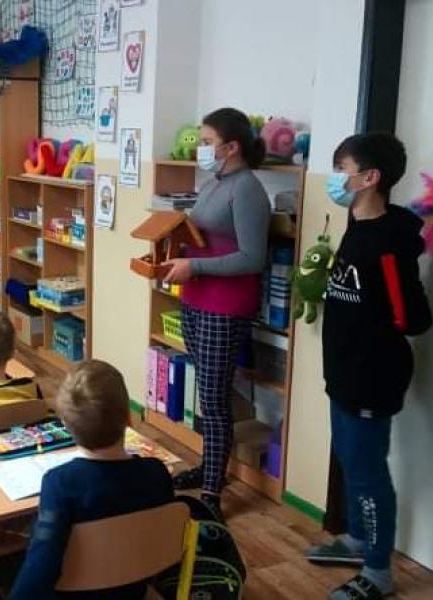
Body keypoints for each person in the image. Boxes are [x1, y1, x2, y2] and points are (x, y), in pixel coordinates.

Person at [305, 133, 431, 600]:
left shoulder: (387, 242)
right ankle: (358, 539)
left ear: (369, 178)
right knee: (349, 459)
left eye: (342, 169)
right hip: (344, 373)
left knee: (367, 474)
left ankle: (378, 571)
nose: (335, 177)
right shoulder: (356, 226)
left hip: (372, 377)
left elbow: (413, 318)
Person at [160, 107, 271, 521]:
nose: (202, 149)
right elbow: (201, 234)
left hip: (224, 306)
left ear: (232, 147)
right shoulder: (215, 182)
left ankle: (211, 493)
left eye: (207, 142)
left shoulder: (247, 190)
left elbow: (252, 258)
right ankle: (208, 468)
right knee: (206, 393)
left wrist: (196, 265)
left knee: (214, 398)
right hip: (196, 297)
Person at [8, 360, 174, 598]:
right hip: (134, 590)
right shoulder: (156, 472)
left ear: (66, 426)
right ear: (128, 418)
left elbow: (41, 567)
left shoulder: (60, 484)